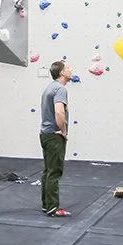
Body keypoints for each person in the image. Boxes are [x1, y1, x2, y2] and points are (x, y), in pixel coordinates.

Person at [39, 60, 72, 217]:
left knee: (48, 170)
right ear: (62, 73)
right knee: (55, 171)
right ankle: (53, 207)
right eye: (68, 68)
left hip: (45, 134)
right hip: (54, 135)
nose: (71, 70)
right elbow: (59, 112)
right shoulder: (60, 89)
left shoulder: (49, 88)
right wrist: (63, 131)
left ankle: (47, 204)